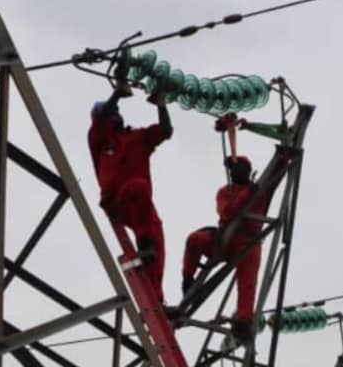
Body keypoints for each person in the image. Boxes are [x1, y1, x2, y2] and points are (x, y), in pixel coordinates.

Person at [88, 81, 173, 304]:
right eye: (110, 113)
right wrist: (117, 94)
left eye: (116, 112)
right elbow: (101, 118)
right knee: (137, 187)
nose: (114, 115)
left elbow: (165, 131)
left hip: (142, 206)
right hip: (118, 202)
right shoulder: (100, 141)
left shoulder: (138, 137)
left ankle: (156, 300)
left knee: (156, 238)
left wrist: (161, 104)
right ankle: (144, 243)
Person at [182, 155, 269, 343]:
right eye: (232, 169)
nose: (234, 172)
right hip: (226, 238)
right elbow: (228, 212)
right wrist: (246, 195)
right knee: (194, 240)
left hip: (248, 241)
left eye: (238, 168)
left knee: (247, 281)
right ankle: (188, 278)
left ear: (247, 171)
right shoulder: (226, 192)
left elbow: (272, 184)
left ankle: (244, 319)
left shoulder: (258, 192)